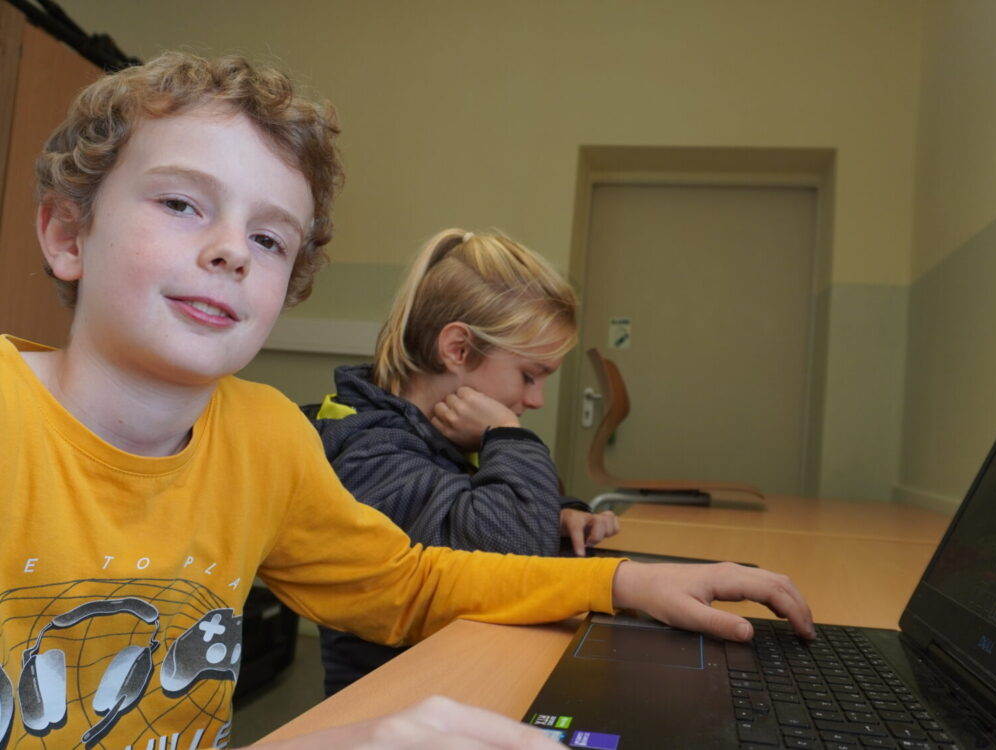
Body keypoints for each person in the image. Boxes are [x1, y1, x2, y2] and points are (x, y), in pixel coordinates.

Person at [0, 51, 814, 750]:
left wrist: (624, 585)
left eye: (269, 238)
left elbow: (408, 585)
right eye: (182, 204)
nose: (229, 252)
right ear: (69, 236)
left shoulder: (265, 437)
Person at [303, 228, 621, 695]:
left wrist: (560, 514)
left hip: (461, 676)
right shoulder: (364, 446)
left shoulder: (433, 430)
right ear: (458, 349)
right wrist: (507, 436)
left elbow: (489, 498)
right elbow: (508, 559)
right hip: (391, 704)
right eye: (530, 376)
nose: (536, 399)